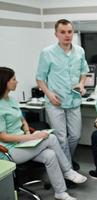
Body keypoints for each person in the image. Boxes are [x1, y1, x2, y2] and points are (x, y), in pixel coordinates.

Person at [0, 67, 87, 200]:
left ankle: (60, 192)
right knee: (51, 138)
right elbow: (3, 136)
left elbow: (22, 120)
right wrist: (31, 137)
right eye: (13, 79)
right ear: (4, 82)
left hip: (23, 142)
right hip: (10, 150)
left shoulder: (10, 99)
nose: (17, 82)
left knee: (50, 155)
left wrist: (28, 132)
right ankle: (68, 171)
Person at [36, 19, 89, 170]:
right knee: (61, 139)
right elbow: (40, 79)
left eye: (70, 32)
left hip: (74, 101)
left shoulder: (80, 51)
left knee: (75, 136)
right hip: (55, 103)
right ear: (56, 34)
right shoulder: (47, 53)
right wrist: (49, 93)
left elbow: (84, 72)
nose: (67, 35)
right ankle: (67, 170)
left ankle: (66, 162)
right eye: (63, 32)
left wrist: (81, 84)